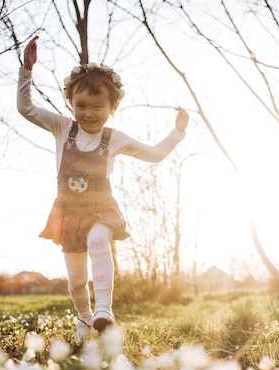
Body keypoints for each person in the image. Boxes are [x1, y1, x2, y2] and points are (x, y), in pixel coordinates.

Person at [17, 36, 189, 344]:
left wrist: (177, 132)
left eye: (98, 106)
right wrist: (27, 69)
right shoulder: (62, 128)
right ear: (71, 103)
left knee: (98, 240)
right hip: (68, 213)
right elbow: (26, 108)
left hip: (100, 209)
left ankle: (105, 311)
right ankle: (84, 319)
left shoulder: (116, 138)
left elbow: (153, 154)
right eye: (81, 105)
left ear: (113, 106)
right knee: (76, 280)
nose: (89, 113)